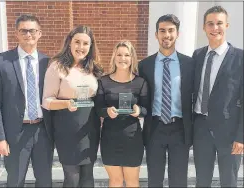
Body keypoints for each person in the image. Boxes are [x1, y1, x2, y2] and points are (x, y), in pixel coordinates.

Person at [0, 14, 54, 187]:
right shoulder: (0, 61)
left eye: (32, 30)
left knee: (45, 180)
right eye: (23, 30)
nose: (28, 34)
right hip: (14, 133)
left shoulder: (48, 62)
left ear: (40, 33)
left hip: (43, 132)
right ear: (16, 33)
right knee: (15, 180)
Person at [42, 25, 103, 187]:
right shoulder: (57, 66)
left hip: (90, 129)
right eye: (77, 42)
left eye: (85, 44)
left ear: (90, 47)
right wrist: (67, 103)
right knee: (72, 178)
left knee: (88, 177)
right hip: (67, 129)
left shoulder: (93, 68)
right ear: (69, 42)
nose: (81, 47)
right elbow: (47, 101)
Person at [138, 14, 195, 187]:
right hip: (155, 127)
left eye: (171, 31)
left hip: (180, 129)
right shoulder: (145, 65)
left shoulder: (190, 63)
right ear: (156, 34)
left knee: (178, 180)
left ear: (177, 34)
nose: (166, 35)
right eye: (162, 31)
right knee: (154, 179)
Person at [192, 6, 243, 187]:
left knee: (229, 182)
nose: (215, 28)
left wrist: (241, 136)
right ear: (204, 28)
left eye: (219, 23)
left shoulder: (240, 58)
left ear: (227, 25)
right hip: (201, 130)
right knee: (202, 181)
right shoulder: (197, 55)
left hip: (229, 133)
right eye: (210, 24)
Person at [95, 40, 148, 187]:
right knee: (115, 181)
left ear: (132, 58)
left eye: (126, 55)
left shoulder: (140, 82)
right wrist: (106, 111)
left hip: (132, 138)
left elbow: (146, 109)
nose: (122, 58)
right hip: (110, 138)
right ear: (114, 57)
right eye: (119, 54)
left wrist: (139, 111)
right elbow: (98, 108)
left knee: (132, 182)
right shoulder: (103, 81)